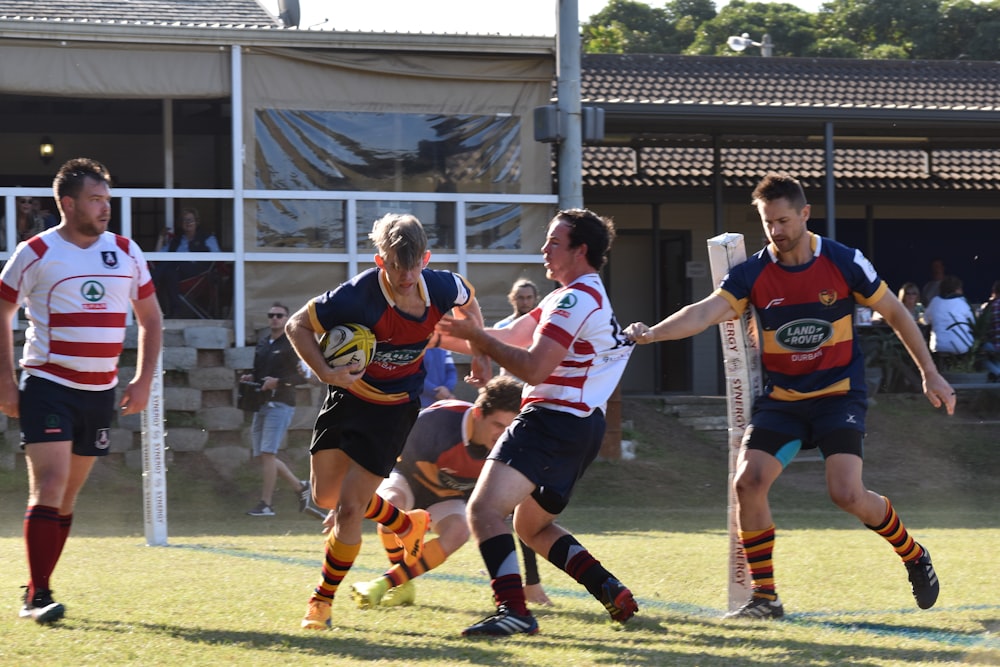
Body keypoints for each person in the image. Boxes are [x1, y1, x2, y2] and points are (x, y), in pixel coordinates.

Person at [625, 173, 953, 620]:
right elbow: (705, 312)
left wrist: (930, 373)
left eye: (783, 220)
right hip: (782, 401)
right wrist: (651, 334)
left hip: (838, 396)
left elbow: (894, 311)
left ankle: (913, 553)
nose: (776, 231)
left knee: (847, 494)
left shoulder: (844, 261)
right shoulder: (753, 273)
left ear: (804, 214)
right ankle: (765, 598)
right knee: (748, 483)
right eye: (767, 223)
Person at [285, 212, 491, 631]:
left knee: (347, 510)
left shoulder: (440, 285)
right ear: (381, 261)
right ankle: (405, 522)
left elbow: (470, 301)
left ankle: (321, 602)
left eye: (414, 266)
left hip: (395, 408)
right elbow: (296, 326)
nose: (406, 275)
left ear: (426, 259)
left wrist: (482, 353)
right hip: (346, 397)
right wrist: (326, 372)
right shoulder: (357, 295)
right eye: (397, 266)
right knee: (324, 497)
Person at [435, 207, 637, 636]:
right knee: (531, 526)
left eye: (553, 242)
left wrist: (477, 340)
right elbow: (506, 337)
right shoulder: (572, 295)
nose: (543, 249)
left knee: (484, 510)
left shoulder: (574, 299)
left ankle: (514, 611)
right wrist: (427, 331)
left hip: (550, 419)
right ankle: (610, 590)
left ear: (580, 250)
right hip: (580, 428)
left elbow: (533, 368)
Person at [0, 158, 163, 624]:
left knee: (67, 497)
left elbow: (151, 318)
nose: (104, 208)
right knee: (49, 485)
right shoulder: (33, 252)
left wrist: (143, 378)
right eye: (95, 200)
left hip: (100, 392)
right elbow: (2, 313)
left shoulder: (127, 252)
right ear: (67, 204)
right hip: (48, 384)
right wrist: (6, 380)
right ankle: (37, 599)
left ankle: (37, 585)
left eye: (107, 200)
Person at [349, 375, 551, 609]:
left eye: (510, 427)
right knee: (392, 503)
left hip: (448, 498)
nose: (503, 435)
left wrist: (532, 581)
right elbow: (378, 454)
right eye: (498, 425)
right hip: (407, 480)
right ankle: (400, 578)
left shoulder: (513, 445)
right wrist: (350, 499)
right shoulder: (436, 421)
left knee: (459, 531)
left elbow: (521, 509)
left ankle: (390, 584)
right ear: (477, 414)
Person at [491, 277, 551, 606]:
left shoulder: (546, 329)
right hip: (508, 418)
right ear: (513, 298)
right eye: (521, 296)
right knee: (510, 508)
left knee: (525, 508)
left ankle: (527, 586)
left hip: (536, 417)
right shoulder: (504, 328)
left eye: (530, 297)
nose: (526, 301)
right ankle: (526, 586)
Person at [243, 302, 318, 517]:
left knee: (268, 453)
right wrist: (251, 377)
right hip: (261, 402)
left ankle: (266, 504)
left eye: (279, 315)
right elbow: (259, 371)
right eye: (271, 315)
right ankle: (300, 486)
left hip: (281, 403)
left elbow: (301, 376)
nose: (274, 318)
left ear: (287, 318)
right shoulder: (264, 342)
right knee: (262, 455)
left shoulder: (292, 344)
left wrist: (279, 382)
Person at [153, 207, 220, 317]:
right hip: (178, 273)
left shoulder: (207, 238)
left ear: (197, 222)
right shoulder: (176, 240)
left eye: (190, 220)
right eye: (184, 220)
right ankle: (176, 310)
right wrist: (161, 238)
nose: (187, 223)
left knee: (169, 264)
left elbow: (218, 257)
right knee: (170, 272)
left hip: (197, 273)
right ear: (181, 224)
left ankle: (150, 284)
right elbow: (158, 256)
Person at [924, 275, 976, 355]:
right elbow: (973, 324)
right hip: (962, 348)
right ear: (957, 289)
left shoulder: (935, 301)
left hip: (938, 348)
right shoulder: (963, 302)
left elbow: (925, 320)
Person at [981, 280, 1000, 380]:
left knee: (978, 355)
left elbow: (982, 327)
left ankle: (997, 372)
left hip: (995, 345)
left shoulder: (989, 306)